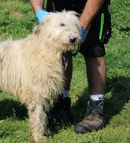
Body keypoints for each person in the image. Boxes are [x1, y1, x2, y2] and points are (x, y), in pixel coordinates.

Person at [30, 0, 111, 133]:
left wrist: (81, 28)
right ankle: (61, 103)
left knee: (93, 50)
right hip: (59, 5)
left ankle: (96, 109)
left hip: (90, 3)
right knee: (59, 50)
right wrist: (38, 10)